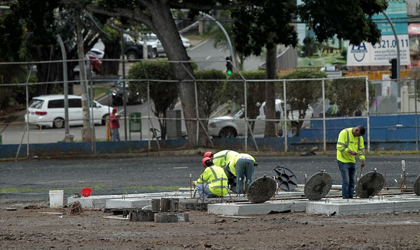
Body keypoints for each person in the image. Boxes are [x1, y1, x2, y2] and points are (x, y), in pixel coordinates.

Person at [336, 125, 366, 199]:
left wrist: (362, 159)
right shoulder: (344, 133)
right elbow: (339, 147)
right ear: (356, 130)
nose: (358, 137)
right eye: (358, 135)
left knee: (352, 181)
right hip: (342, 160)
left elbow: (361, 150)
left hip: (352, 161)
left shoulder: (360, 137)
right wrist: (349, 151)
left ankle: (350, 196)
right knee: (346, 180)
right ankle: (345, 198)